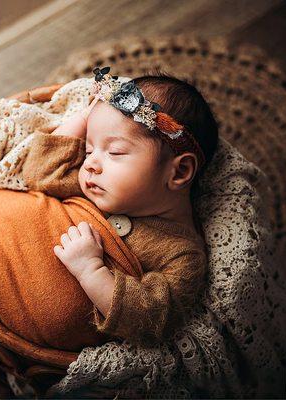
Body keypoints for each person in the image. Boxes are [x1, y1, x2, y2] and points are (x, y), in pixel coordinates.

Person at [19, 66, 219, 346]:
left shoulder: (183, 255)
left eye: (114, 152)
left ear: (179, 171)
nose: (90, 163)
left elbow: (150, 321)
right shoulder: (97, 187)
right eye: (89, 149)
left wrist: (91, 270)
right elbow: (41, 171)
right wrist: (86, 116)